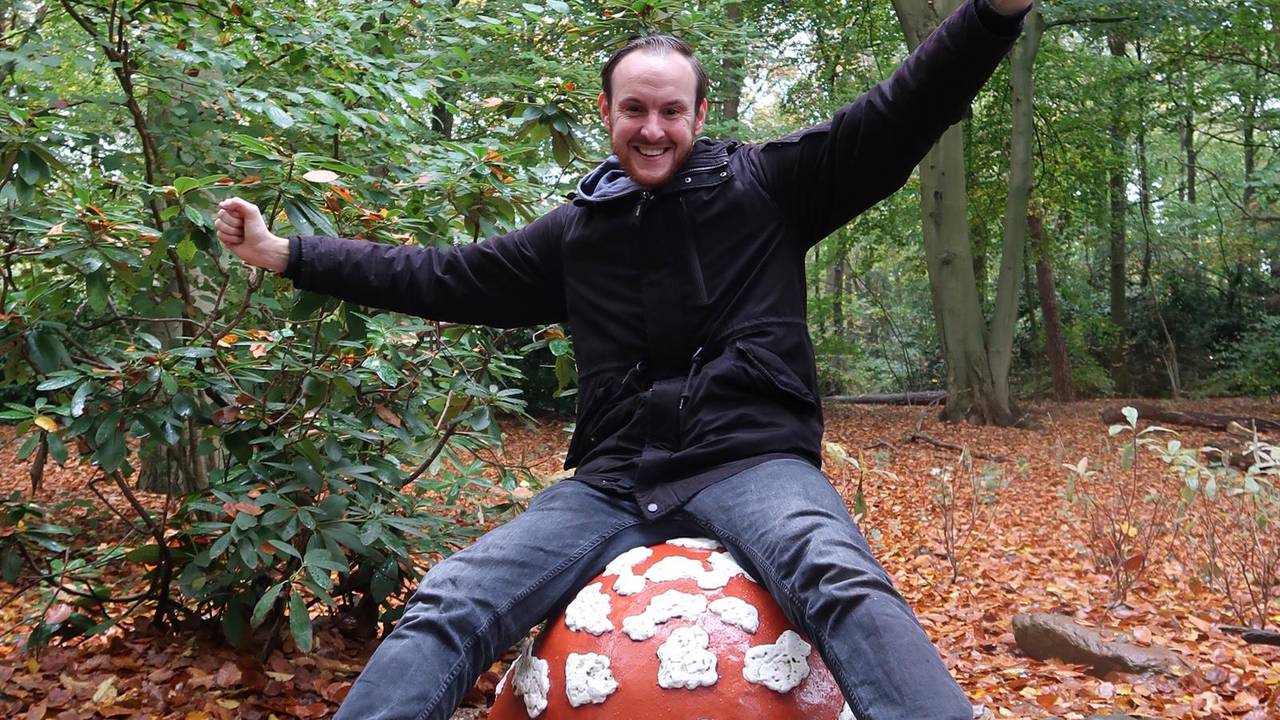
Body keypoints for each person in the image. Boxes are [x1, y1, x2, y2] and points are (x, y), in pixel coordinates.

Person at [215, 0, 1031, 717]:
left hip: (751, 461)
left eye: (670, 111)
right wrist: (289, 253)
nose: (652, 128)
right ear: (606, 112)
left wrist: (992, 14)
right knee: (448, 601)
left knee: (840, 580)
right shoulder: (577, 233)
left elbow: (899, 112)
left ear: (700, 113)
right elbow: (443, 274)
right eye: (634, 108)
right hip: (614, 482)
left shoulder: (771, 186)